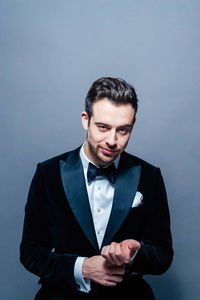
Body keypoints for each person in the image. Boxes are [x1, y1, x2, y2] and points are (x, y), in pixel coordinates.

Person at [20, 77, 173, 300]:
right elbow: (30, 252)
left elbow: (163, 255)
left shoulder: (150, 176)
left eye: (123, 130)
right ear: (86, 120)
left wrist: (134, 253)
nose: (112, 140)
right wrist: (82, 267)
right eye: (103, 127)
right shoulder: (47, 173)